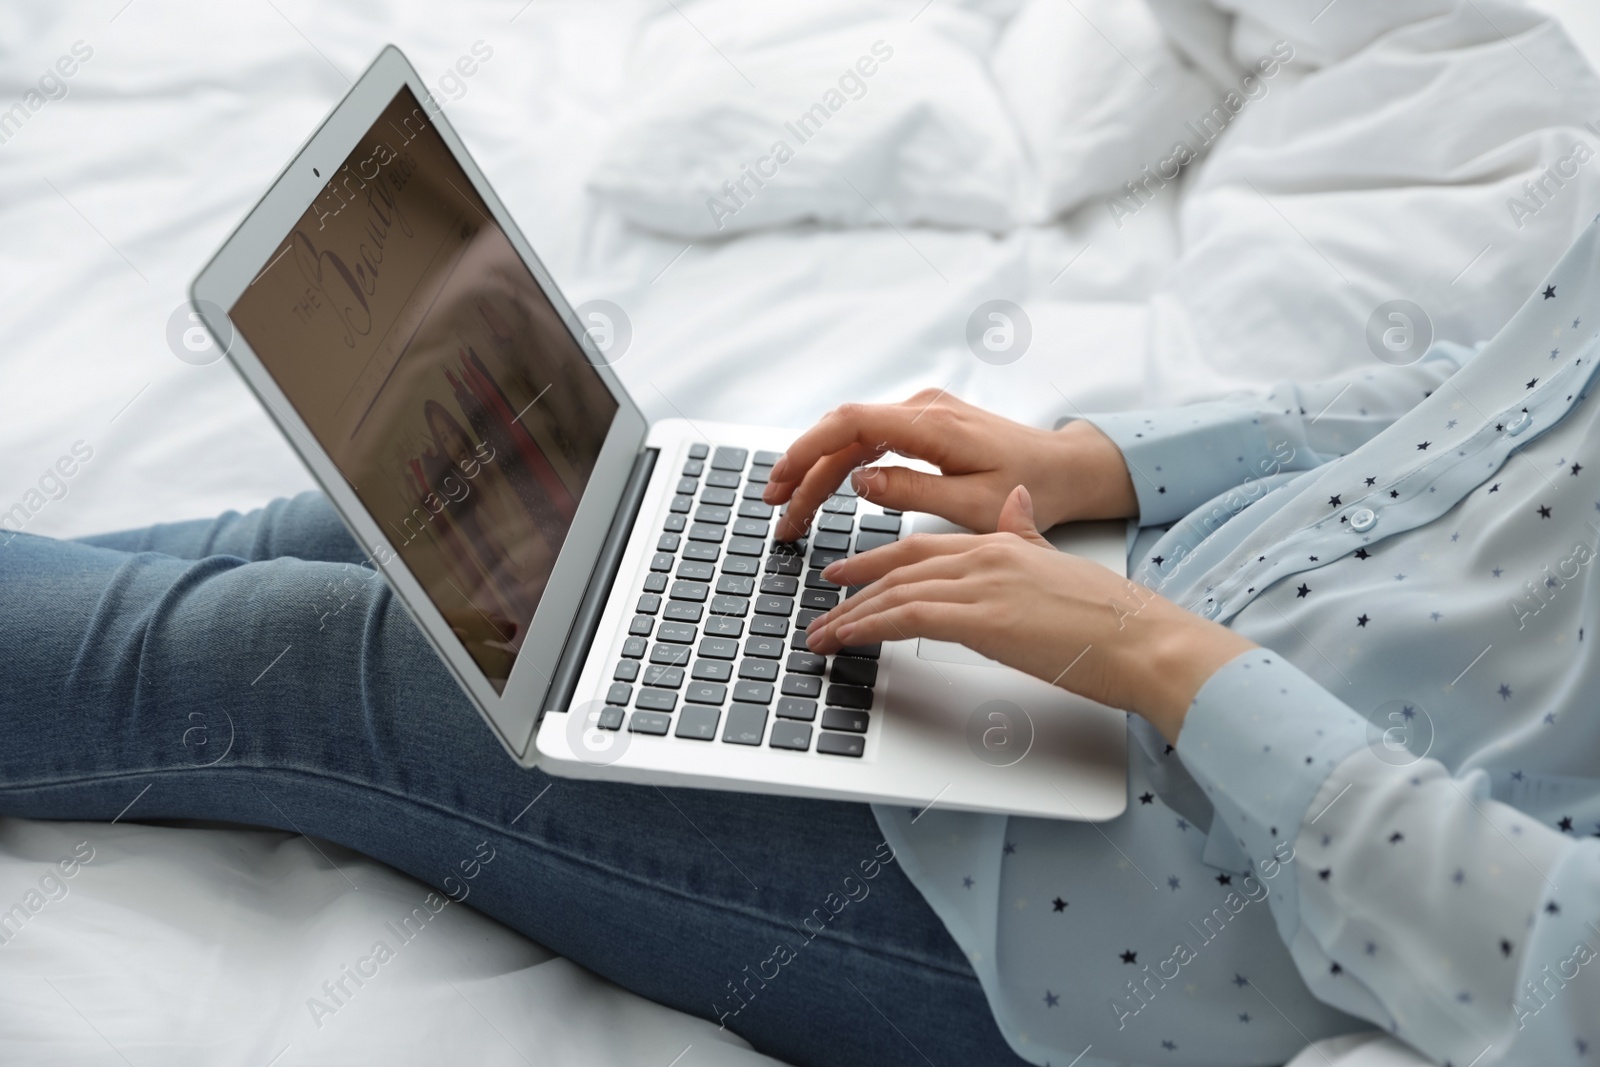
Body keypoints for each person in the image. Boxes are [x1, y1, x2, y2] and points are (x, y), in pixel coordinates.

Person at [5, 221, 1600, 1067]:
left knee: (315, 658)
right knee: (408, 528)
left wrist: (1168, 664)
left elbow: (1566, 975)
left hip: (1151, 904)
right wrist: (1111, 467)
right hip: (1112, 619)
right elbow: (1504, 401)